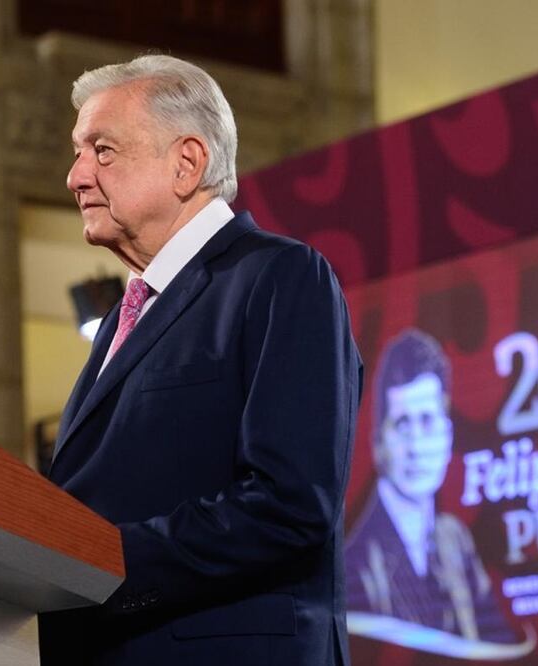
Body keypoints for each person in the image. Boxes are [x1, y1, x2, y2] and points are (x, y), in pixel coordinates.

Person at [38, 54, 362, 666]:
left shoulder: (281, 277)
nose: (75, 176)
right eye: (79, 152)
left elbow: (290, 505)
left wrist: (97, 564)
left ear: (187, 162)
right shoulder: (120, 319)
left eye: (101, 150)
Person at [345, 329, 518, 647]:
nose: (416, 445)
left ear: (448, 433)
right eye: (402, 424)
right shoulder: (356, 567)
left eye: (427, 421)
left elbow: (498, 647)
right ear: (379, 440)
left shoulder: (455, 540)